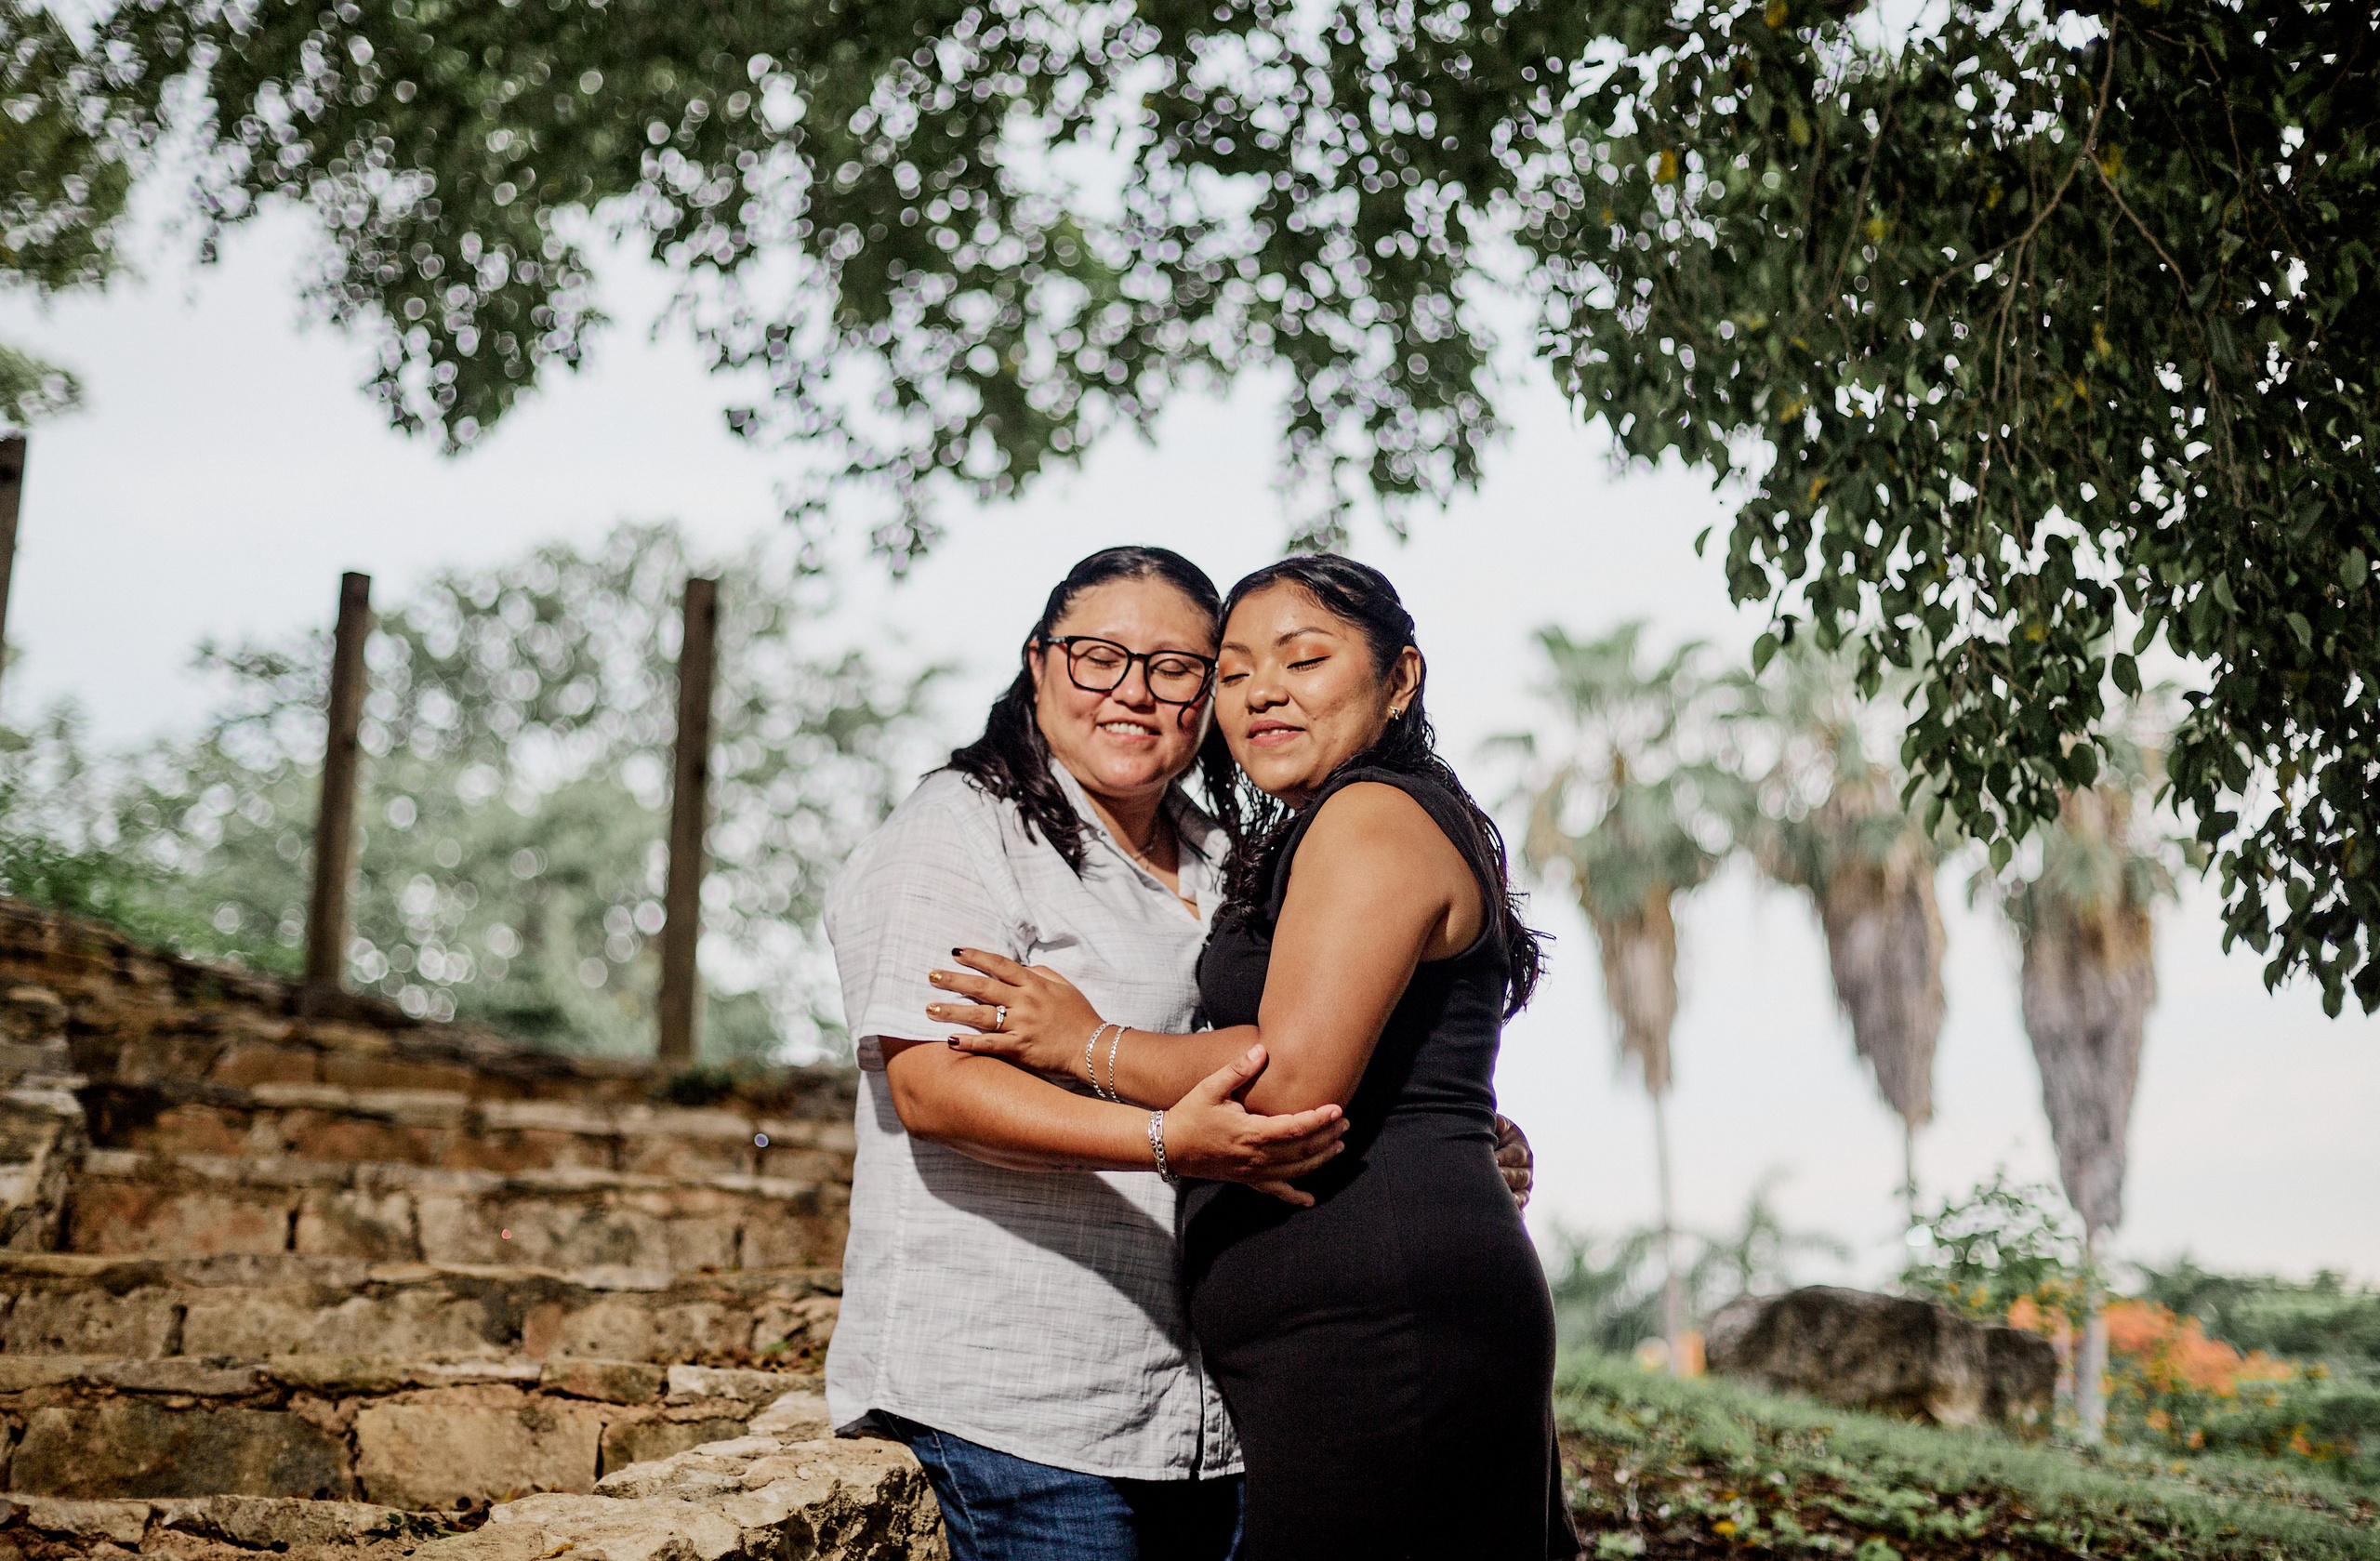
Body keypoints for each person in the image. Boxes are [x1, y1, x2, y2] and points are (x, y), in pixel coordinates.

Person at [932, 554, 1582, 1561]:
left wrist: (1082, 1041)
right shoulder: (1316, 826)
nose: (1260, 692)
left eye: (1304, 658)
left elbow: (1287, 1080)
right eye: (1231, 672)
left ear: (1399, 677)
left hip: (1382, 1326)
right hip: (1345, 1327)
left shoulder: (1370, 815)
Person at [822, 546, 1350, 1561]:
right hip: (1019, 1401)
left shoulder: (1226, 857)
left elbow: (1295, 1047)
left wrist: (1446, 1127)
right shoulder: (961, 832)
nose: (1134, 692)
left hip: (1208, 1410)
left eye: (1176, 667)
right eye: (1099, 656)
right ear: (1038, 662)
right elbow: (933, 1085)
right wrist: (1162, 1138)